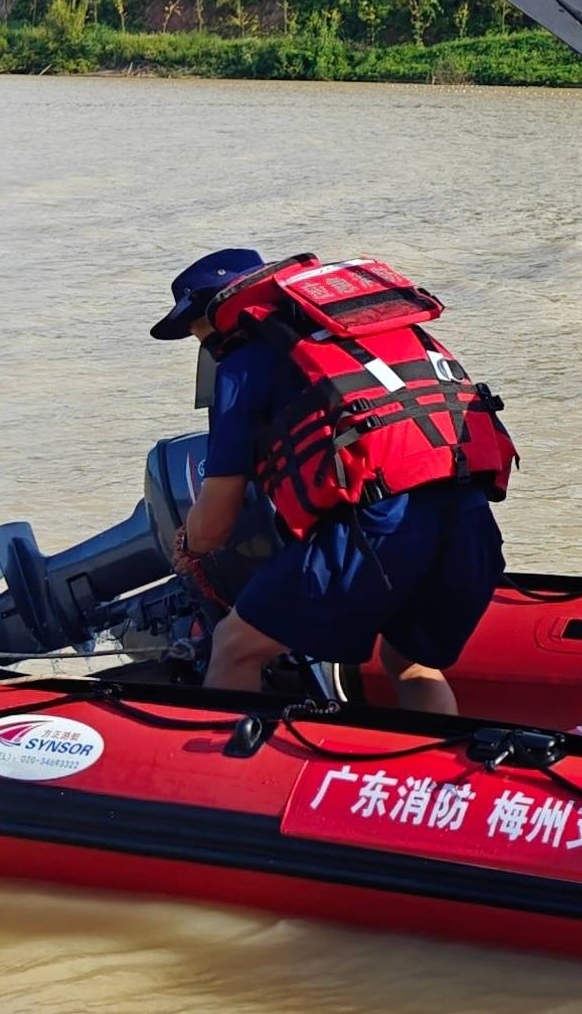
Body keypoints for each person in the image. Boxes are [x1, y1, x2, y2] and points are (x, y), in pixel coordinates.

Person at [158, 248, 520, 716]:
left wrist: (189, 544)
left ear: (218, 317)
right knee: (411, 663)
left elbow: (216, 521)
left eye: (197, 332)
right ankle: (433, 780)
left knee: (234, 646)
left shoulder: (244, 363)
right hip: (471, 521)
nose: (201, 344)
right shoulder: (380, 331)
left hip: (378, 530)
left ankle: (222, 778)